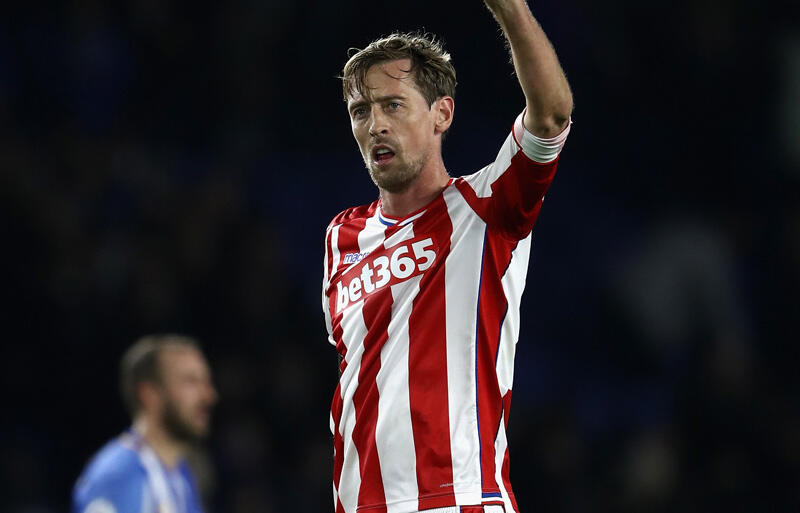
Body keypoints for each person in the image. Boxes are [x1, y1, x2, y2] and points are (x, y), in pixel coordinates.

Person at [321, 1, 573, 512]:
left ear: (442, 113)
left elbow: (550, 115)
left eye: (393, 105)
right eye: (361, 111)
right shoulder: (340, 237)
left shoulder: (486, 206)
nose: (376, 125)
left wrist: (511, 9)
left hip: (461, 498)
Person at [72, 334, 218, 513]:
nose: (209, 396)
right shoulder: (119, 476)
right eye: (191, 382)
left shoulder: (180, 476)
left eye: (206, 382)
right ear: (150, 394)